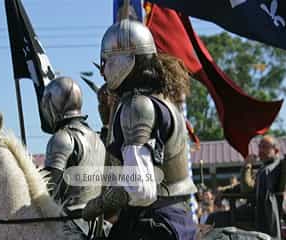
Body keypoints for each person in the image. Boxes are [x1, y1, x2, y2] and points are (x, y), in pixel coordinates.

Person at [82, 16, 197, 240]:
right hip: (174, 218)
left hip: (154, 224)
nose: (102, 71)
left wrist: (97, 205)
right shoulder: (160, 99)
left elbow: (141, 189)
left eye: (106, 61)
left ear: (126, 60)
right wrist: (108, 124)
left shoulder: (137, 107)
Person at [40, 76, 106, 239]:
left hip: (69, 228)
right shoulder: (96, 138)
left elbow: (47, 192)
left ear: (51, 103)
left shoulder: (62, 138)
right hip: (97, 227)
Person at [240, 135, 282, 239]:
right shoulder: (265, 167)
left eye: (265, 147)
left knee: (216, 219)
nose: (260, 150)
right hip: (255, 211)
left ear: (276, 150)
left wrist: (247, 165)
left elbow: (248, 188)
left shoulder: (270, 170)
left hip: (260, 216)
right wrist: (223, 190)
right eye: (259, 146)